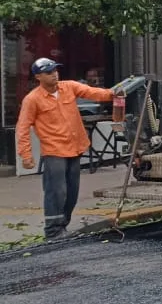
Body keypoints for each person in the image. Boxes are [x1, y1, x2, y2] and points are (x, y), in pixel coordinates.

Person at [16, 58, 124, 238]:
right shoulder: (32, 99)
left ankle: (62, 226)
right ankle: (52, 230)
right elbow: (22, 128)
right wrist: (26, 155)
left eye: (55, 70)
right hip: (54, 151)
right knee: (57, 191)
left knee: (72, 192)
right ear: (38, 77)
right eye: (49, 72)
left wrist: (112, 94)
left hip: (75, 147)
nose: (54, 74)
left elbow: (92, 92)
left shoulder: (69, 87)